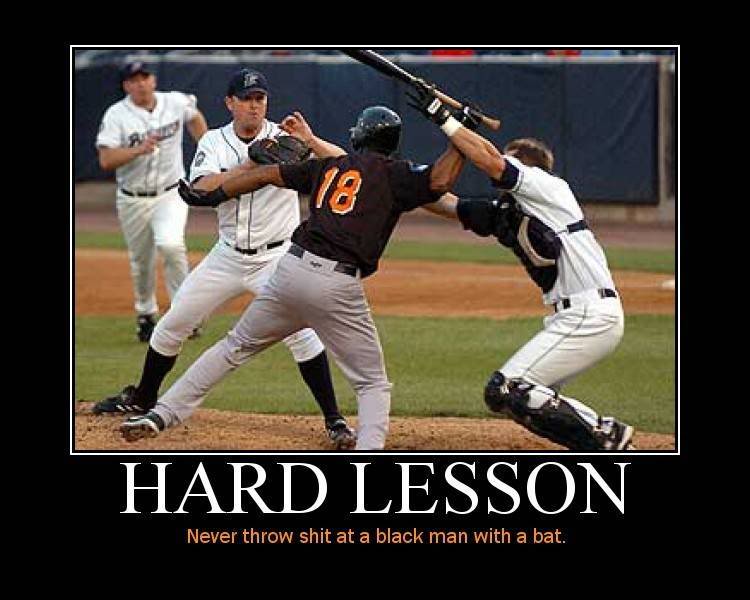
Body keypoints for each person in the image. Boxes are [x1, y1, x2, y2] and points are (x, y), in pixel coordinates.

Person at [118, 105, 465, 450]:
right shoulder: (396, 175)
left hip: (289, 271)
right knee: (372, 383)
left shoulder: (330, 166)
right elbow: (440, 180)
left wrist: (218, 194)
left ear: (360, 136)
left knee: (232, 347)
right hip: (337, 284)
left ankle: (161, 414)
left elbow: (265, 175)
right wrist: (457, 133)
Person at [94, 67, 357, 449]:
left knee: (302, 335)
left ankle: (334, 420)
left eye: (260, 99)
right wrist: (249, 165)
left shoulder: (285, 137)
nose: (254, 106)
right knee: (173, 324)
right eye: (246, 99)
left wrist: (311, 140)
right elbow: (202, 187)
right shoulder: (214, 141)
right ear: (230, 103)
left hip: (277, 258)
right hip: (227, 256)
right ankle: (143, 398)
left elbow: (347, 165)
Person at [407, 83, 634, 451]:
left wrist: (445, 120)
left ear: (528, 167)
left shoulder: (550, 187)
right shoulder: (509, 212)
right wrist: (400, 180)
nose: (500, 166)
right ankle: (605, 440)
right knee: (520, 399)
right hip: (571, 316)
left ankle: (606, 437)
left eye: (509, 160)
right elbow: (445, 202)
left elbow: (490, 160)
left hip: (590, 313)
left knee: (506, 389)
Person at [96, 61, 209, 342]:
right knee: (142, 261)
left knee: (171, 245)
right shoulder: (116, 115)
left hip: (171, 192)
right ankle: (146, 313)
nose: (141, 84)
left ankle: (185, 315)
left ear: (153, 80)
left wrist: (207, 149)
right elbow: (106, 159)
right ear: (126, 86)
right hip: (132, 198)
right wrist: (138, 150)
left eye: (145, 77)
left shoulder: (174, 102)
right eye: (134, 80)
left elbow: (194, 116)